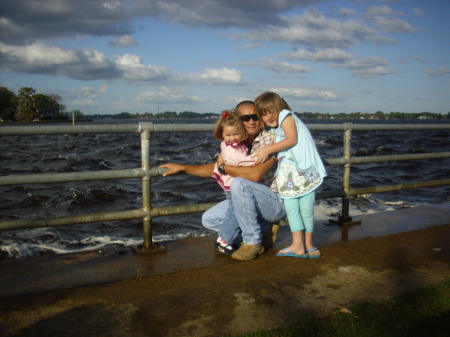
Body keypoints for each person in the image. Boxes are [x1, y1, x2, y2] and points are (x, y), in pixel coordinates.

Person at [159, 101, 286, 261]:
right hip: (249, 198)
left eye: (255, 117)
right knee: (209, 219)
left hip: (272, 201)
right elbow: (216, 167)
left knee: (238, 183)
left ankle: (252, 242)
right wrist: (184, 168)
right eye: (246, 118)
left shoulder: (268, 137)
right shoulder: (237, 142)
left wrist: (224, 168)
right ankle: (261, 229)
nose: (251, 121)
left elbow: (254, 175)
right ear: (237, 121)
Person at [252, 91, 327, 258]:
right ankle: (297, 244)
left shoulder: (287, 116)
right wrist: (269, 147)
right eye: (264, 114)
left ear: (280, 107)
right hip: (288, 177)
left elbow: (292, 139)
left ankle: (308, 243)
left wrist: (268, 149)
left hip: (304, 173)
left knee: (306, 210)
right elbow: (279, 144)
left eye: (272, 111)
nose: (269, 116)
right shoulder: (275, 130)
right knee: (292, 211)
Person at [211, 110, 256, 254]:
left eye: (235, 134)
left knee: (233, 210)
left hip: (230, 182)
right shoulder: (231, 151)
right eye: (228, 135)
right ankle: (226, 241)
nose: (232, 138)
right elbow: (244, 162)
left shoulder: (231, 145)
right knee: (237, 212)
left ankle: (222, 239)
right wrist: (260, 157)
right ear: (222, 135)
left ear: (242, 133)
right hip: (232, 185)